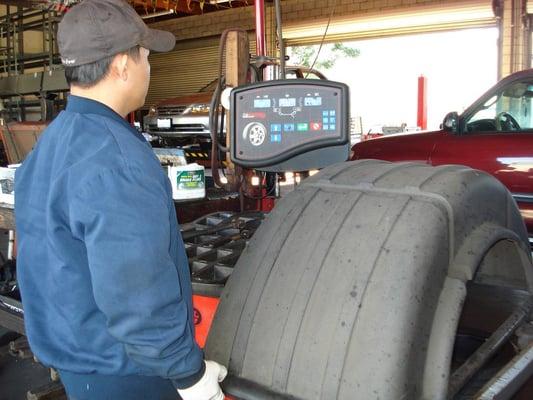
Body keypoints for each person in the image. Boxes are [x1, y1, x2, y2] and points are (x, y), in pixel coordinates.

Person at [14, 0, 227, 399]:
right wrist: (189, 374)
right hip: (127, 371)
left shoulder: (55, 140)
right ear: (121, 65)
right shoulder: (115, 157)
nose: (149, 69)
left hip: (79, 356)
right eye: (146, 57)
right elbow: (138, 289)